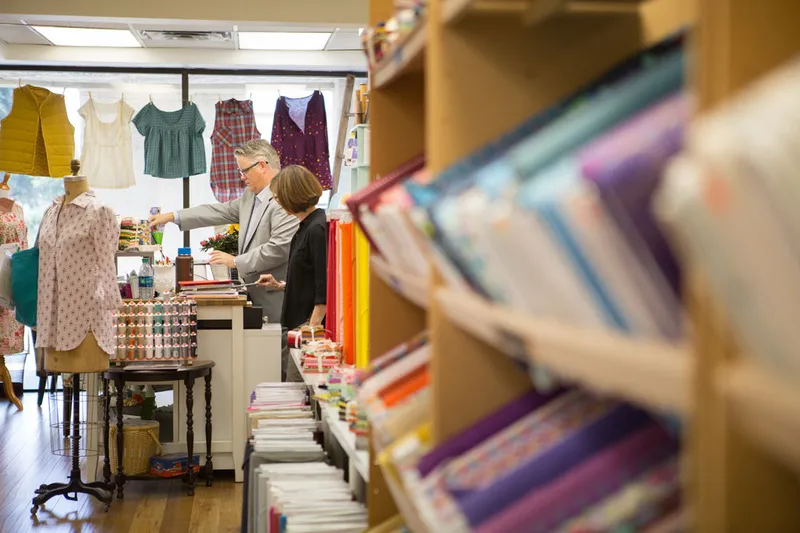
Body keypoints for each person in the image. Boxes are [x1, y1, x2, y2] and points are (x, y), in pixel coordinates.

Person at [148, 139, 299, 324]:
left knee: (279, 351)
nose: (241, 177)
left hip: (277, 300)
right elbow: (218, 211)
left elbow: (278, 249)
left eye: (244, 170)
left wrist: (235, 261)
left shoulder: (285, 197)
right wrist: (172, 216)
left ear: (262, 166)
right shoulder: (250, 196)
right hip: (257, 296)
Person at [256, 165, 327, 381]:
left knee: (297, 388)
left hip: (306, 327)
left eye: (278, 197)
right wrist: (281, 285)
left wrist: (311, 330)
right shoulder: (305, 226)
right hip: (299, 325)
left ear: (291, 196)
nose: (277, 202)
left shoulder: (317, 229)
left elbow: (323, 286)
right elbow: (309, 276)